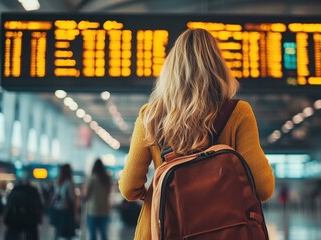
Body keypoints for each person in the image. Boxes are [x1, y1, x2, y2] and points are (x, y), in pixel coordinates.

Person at [119, 28, 275, 240]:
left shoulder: (151, 115)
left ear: (171, 70)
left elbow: (129, 188)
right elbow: (264, 188)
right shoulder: (238, 113)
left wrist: (166, 192)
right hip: (225, 231)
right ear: (219, 67)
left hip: (162, 231)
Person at [84, 159, 111, 240]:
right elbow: (108, 192)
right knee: (103, 234)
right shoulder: (106, 179)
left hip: (93, 210)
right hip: (104, 210)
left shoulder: (92, 178)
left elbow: (86, 194)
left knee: (92, 235)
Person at [51, 164, 76, 240]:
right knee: (68, 233)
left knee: (58, 231)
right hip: (66, 210)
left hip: (57, 208)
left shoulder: (57, 182)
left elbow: (55, 196)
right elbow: (72, 197)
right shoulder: (69, 183)